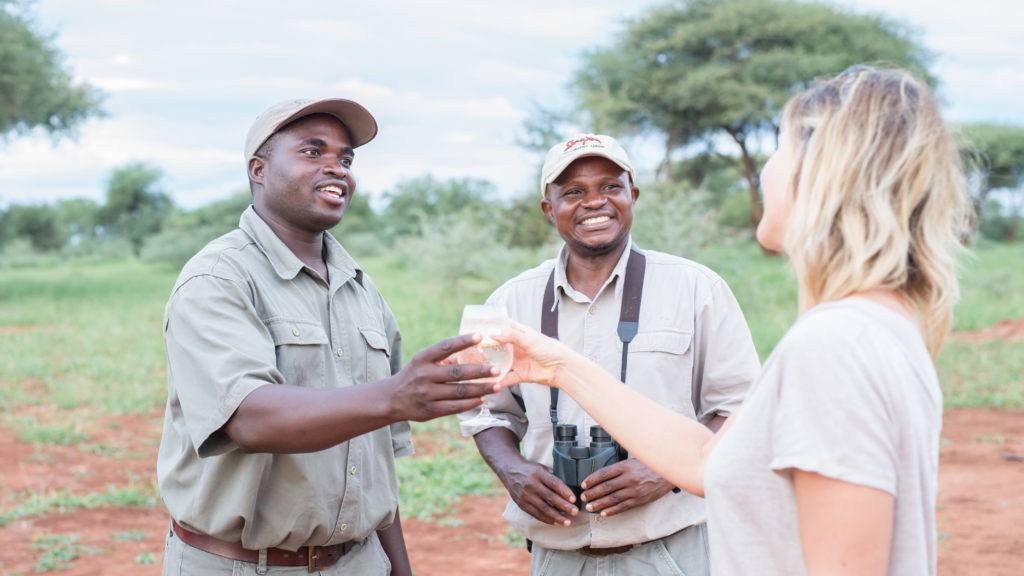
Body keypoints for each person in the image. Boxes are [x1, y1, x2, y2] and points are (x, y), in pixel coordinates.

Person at [494, 67, 971, 576]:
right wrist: (563, 366)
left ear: (825, 173)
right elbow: (705, 461)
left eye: (780, 149)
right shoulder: (878, 324)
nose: (765, 170)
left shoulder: (833, 346)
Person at [157, 98, 498, 576]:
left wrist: (399, 569)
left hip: (358, 563)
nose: (336, 168)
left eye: (345, 158)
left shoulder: (360, 288)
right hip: (240, 565)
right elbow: (249, 420)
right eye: (313, 152)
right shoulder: (218, 278)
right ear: (259, 169)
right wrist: (395, 396)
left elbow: (371, 463)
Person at [459, 134, 760, 575]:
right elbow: (485, 410)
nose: (594, 203)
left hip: (671, 550)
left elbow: (740, 406)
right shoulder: (510, 301)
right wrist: (513, 470)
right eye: (574, 192)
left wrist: (668, 472)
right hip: (557, 554)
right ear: (549, 208)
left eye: (610, 187)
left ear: (632, 195)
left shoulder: (697, 289)